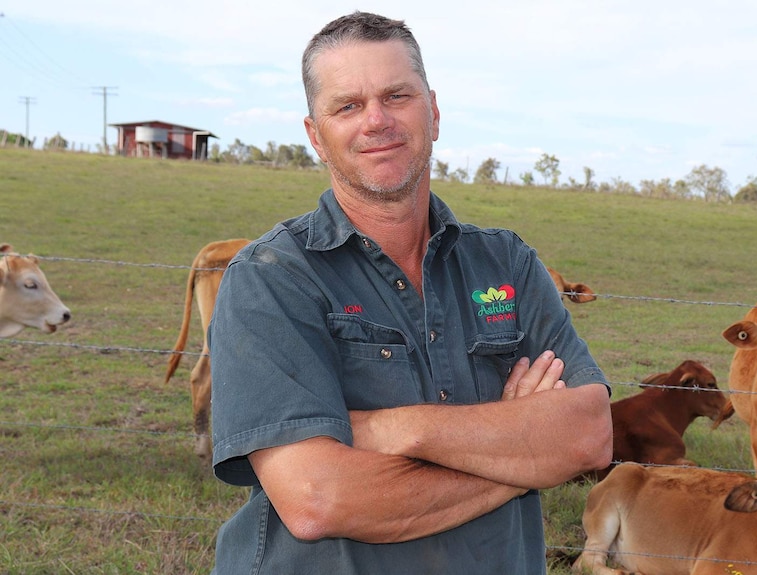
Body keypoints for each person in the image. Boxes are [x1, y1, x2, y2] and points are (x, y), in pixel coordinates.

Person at [208, 11, 613, 575]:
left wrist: (397, 429)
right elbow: (317, 499)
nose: (376, 120)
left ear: (434, 112)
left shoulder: (507, 264)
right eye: (347, 105)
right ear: (314, 137)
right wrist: (521, 451)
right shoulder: (272, 278)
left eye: (397, 96)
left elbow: (589, 435)